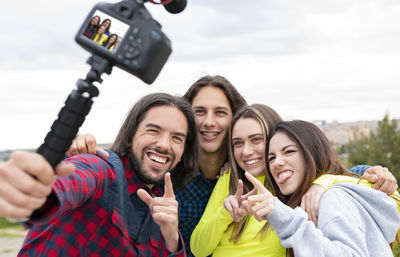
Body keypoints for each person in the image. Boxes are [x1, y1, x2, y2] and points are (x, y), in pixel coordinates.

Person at [0, 93, 198, 256]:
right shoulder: (102, 167)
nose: (164, 144)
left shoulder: (164, 204)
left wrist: (172, 238)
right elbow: (72, 180)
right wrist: (33, 190)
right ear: (130, 137)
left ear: (182, 153)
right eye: (153, 130)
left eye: (176, 138)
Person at [190, 104, 399, 257]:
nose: (246, 151)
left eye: (256, 139)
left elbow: (375, 193)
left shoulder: (296, 188)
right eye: (237, 143)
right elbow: (198, 249)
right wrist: (225, 214)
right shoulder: (232, 179)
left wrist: (323, 183)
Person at [244, 120, 400, 256]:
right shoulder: (324, 196)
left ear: (314, 153)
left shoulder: (333, 198)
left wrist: (285, 218)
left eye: (289, 151)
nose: (276, 162)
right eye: (272, 158)